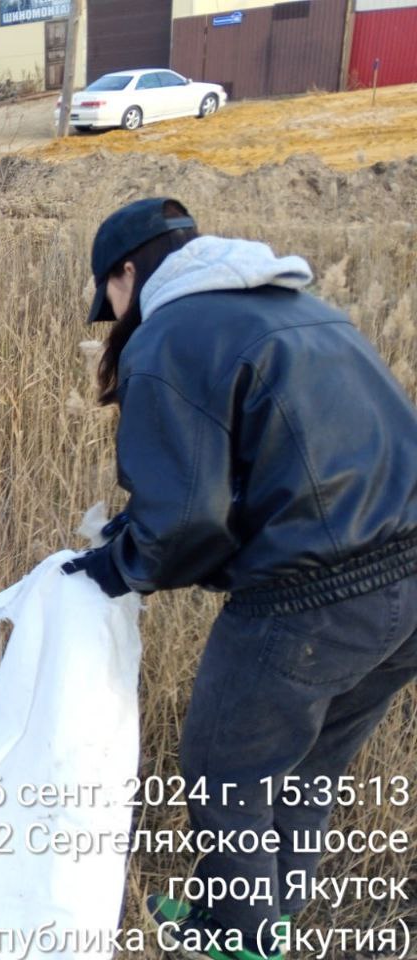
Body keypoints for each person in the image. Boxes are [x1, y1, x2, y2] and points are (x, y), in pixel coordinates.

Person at [64, 198, 417, 960]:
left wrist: (116, 565)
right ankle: (264, 920)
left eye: (111, 296)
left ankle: (237, 942)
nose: (114, 313)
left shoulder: (168, 335)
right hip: (409, 584)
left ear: (128, 271)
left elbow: (189, 517)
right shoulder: (299, 307)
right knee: (304, 766)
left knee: (225, 766)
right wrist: (138, 533)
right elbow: (264, 468)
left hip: (315, 594)